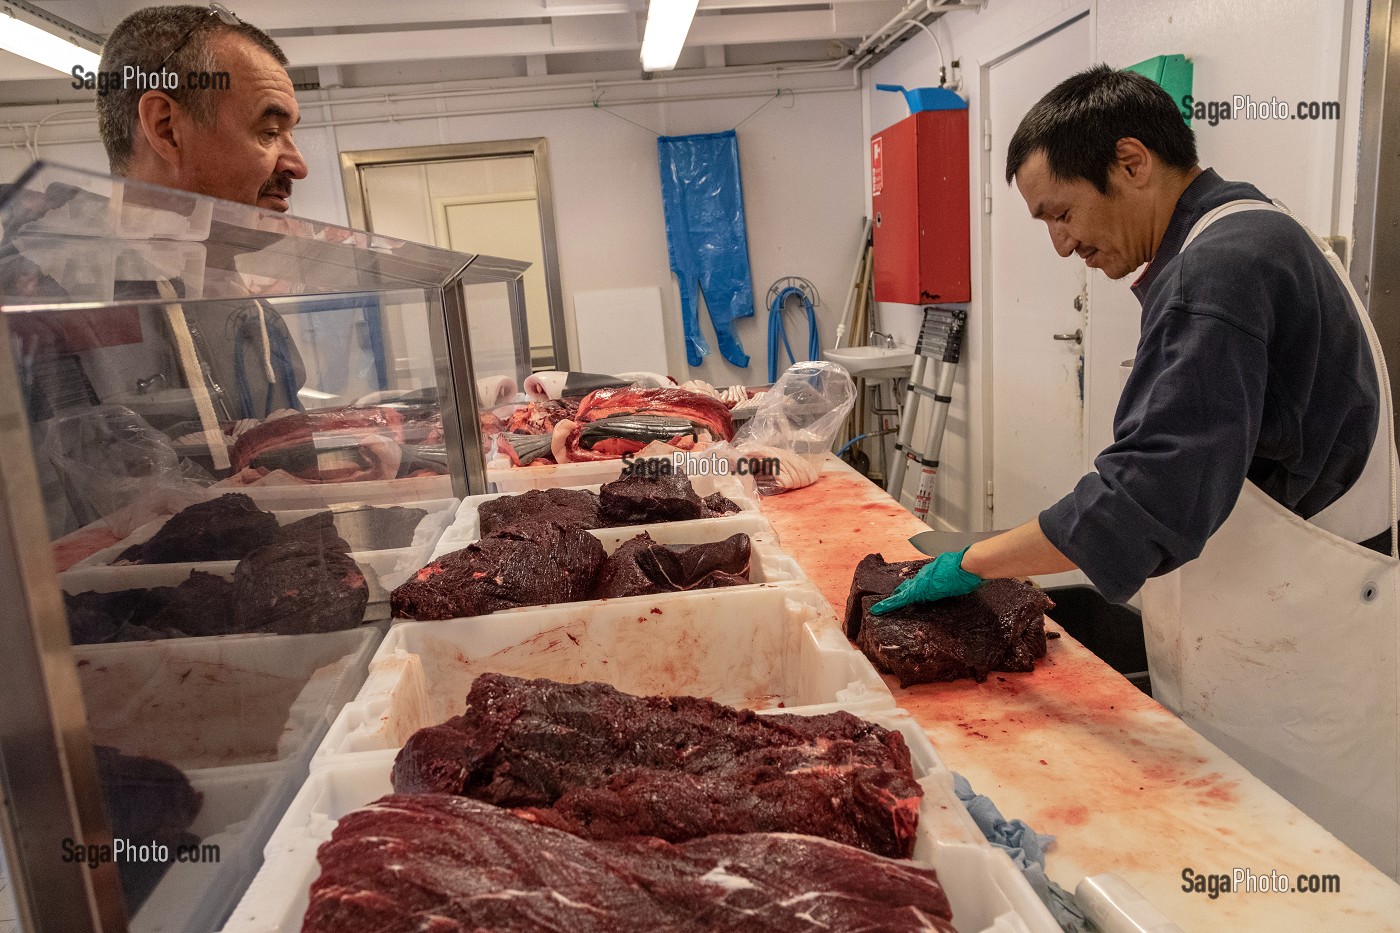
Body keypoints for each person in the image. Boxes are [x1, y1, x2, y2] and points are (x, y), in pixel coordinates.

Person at [873, 65, 1399, 869]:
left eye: (1061, 212)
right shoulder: (1243, 229)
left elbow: (1149, 491)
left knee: (1304, 881)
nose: (1061, 242)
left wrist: (971, 561)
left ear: (1131, 162)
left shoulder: (1220, 268)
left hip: (1302, 667)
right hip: (1283, 626)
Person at [93, 3, 310, 420]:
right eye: (269, 132)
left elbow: (284, 462)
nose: (298, 165)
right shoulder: (42, 309)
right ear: (166, 128)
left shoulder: (253, 315)